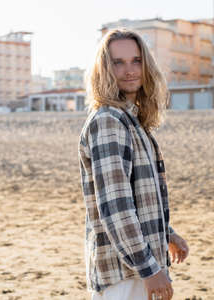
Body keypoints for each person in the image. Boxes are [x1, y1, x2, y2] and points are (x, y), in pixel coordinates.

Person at [78, 28, 189, 300]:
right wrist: (149, 270)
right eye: (118, 62)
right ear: (104, 69)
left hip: (136, 268)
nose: (129, 70)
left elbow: (136, 196)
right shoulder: (108, 122)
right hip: (125, 276)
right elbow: (116, 208)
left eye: (136, 60)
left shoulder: (131, 121)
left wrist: (167, 233)